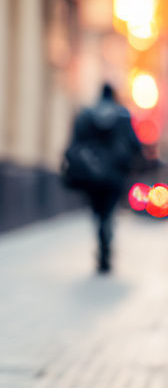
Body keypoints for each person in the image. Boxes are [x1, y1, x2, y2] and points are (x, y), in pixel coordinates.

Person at [62, 83, 143, 273]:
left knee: (97, 209)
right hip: (115, 173)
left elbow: (74, 144)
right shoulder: (123, 116)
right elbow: (135, 144)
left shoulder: (86, 114)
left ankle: (101, 232)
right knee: (109, 209)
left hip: (92, 172)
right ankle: (107, 233)